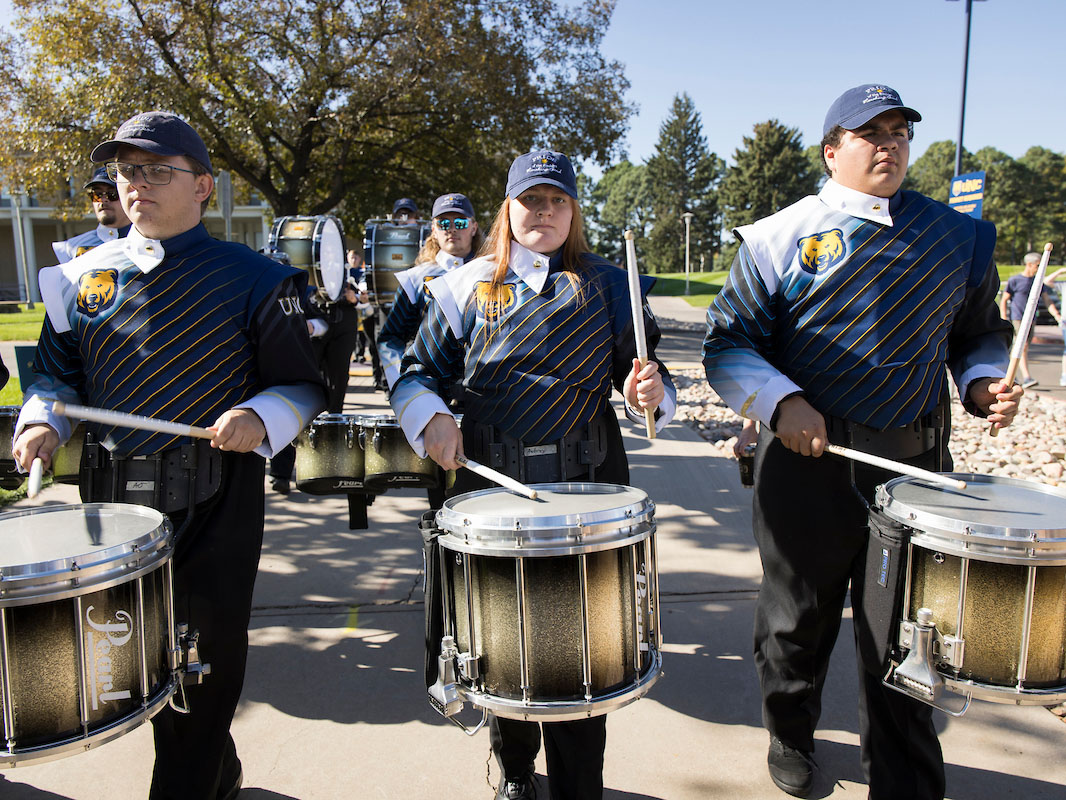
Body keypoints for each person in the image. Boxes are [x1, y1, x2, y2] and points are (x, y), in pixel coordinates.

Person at [702, 84, 1022, 800]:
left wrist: (981, 384)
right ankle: (789, 730)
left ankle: (905, 784)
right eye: (869, 132)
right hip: (806, 469)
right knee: (795, 626)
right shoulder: (778, 236)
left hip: (914, 470)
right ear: (831, 149)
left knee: (910, 642)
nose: (889, 143)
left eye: (899, 131)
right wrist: (780, 401)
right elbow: (727, 347)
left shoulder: (959, 236)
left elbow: (977, 335)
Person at [13, 111, 326, 799]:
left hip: (215, 500)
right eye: (127, 171)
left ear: (204, 187)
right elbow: (55, 373)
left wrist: (258, 412)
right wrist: (42, 421)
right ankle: (218, 766)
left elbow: (303, 381)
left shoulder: (257, 277)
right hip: (111, 504)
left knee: (203, 662)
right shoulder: (77, 279)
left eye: (158, 170)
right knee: (139, 662)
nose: (137, 184)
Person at [390, 150, 675, 800]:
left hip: (587, 493)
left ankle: (582, 786)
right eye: (530, 201)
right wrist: (430, 415)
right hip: (490, 494)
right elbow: (414, 372)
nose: (543, 212)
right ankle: (516, 769)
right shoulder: (464, 285)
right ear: (508, 210)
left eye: (556, 201)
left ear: (573, 211)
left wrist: (648, 390)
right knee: (505, 649)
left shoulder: (607, 285)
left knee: (583, 657)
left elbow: (645, 373)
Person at [377, 192, 483, 389]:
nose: (451, 229)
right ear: (434, 230)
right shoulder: (414, 279)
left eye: (460, 223)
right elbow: (390, 338)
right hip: (430, 391)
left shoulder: (493, 274)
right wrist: (405, 386)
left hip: (483, 393)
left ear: (474, 227)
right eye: (443, 223)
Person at [999, 251, 1063, 388]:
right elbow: (1004, 299)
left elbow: (1047, 300)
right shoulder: (1015, 280)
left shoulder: (1038, 281)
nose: (1040, 268)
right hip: (1018, 318)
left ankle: (1010, 374)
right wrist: (1004, 317)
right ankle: (1027, 377)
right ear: (1029, 264)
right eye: (1038, 265)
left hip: (1031, 319)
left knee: (1020, 347)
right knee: (1022, 347)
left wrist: (1057, 316)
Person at [51, 166, 132, 262]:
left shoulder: (149, 241)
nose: (103, 199)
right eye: (97, 194)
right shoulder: (70, 249)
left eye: (112, 194)